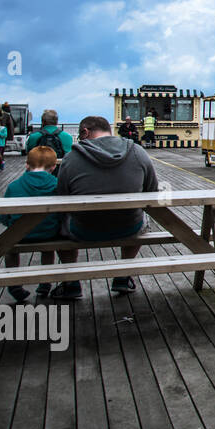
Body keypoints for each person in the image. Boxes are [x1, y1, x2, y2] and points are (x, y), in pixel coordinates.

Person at [51, 115, 159, 299]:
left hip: (83, 229)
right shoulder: (137, 152)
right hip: (128, 227)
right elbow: (152, 191)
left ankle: (71, 283)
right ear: (109, 131)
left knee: (59, 221)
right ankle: (123, 276)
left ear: (85, 132)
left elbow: (62, 197)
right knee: (142, 217)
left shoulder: (71, 158)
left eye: (79, 134)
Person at [0, 146, 61, 302]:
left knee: (10, 249)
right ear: (54, 167)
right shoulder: (57, 185)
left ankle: (14, 284)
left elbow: (3, 217)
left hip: (19, 234)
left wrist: (11, 224)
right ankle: (45, 283)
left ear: (27, 164)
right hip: (49, 233)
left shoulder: (14, 186)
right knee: (48, 250)